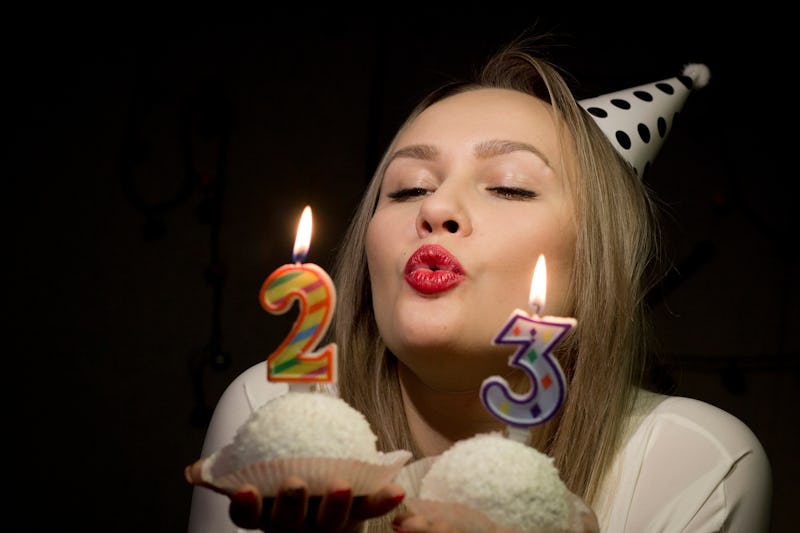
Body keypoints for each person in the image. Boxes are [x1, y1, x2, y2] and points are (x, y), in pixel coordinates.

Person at [185, 33, 772, 532]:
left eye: (511, 186)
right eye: (409, 187)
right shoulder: (265, 411)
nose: (436, 207)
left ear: (597, 256)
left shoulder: (698, 463)